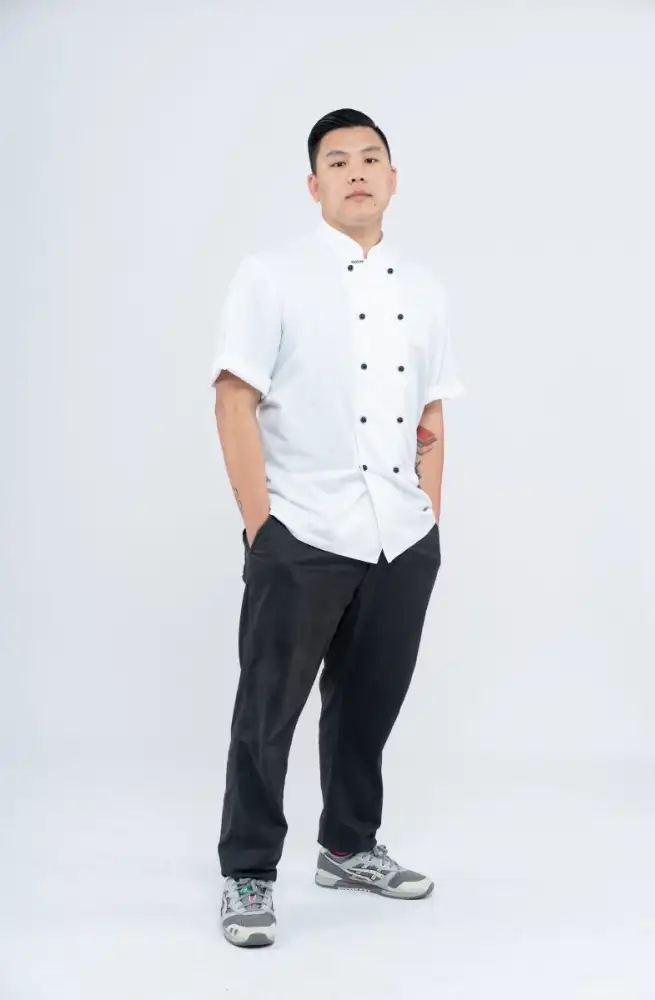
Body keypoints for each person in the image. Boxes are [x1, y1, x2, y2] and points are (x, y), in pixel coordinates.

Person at [210, 108, 465, 948]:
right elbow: (234, 399)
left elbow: (431, 411)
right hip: (303, 530)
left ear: (392, 178)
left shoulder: (425, 289)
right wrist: (263, 530)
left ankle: (349, 846)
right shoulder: (271, 275)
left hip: (401, 535)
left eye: (370, 157)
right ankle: (249, 870)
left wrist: (429, 521)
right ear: (314, 184)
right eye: (338, 160)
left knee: (368, 707)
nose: (356, 171)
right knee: (268, 711)